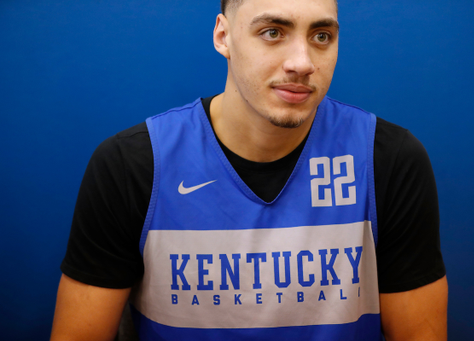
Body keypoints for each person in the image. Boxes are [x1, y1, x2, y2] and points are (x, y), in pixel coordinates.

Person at [51, 0, 448, 340]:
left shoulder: (387, 159)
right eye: (273, 32)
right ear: (223, 36)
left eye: (322, 36)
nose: (303, 63)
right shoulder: (133, 165)